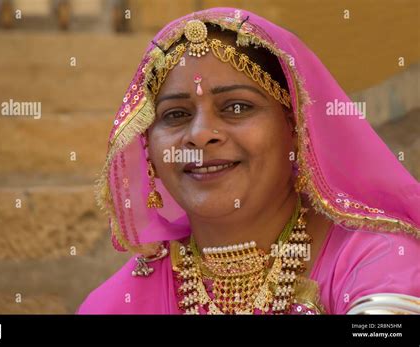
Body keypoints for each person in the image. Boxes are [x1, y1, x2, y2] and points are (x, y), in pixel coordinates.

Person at [77, 7, 419, 314]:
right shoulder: (119, 301)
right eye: (176, 114)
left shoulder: (376, 259)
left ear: (296, 127)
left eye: (237, 107)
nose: (200, 134)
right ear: (148, 148)